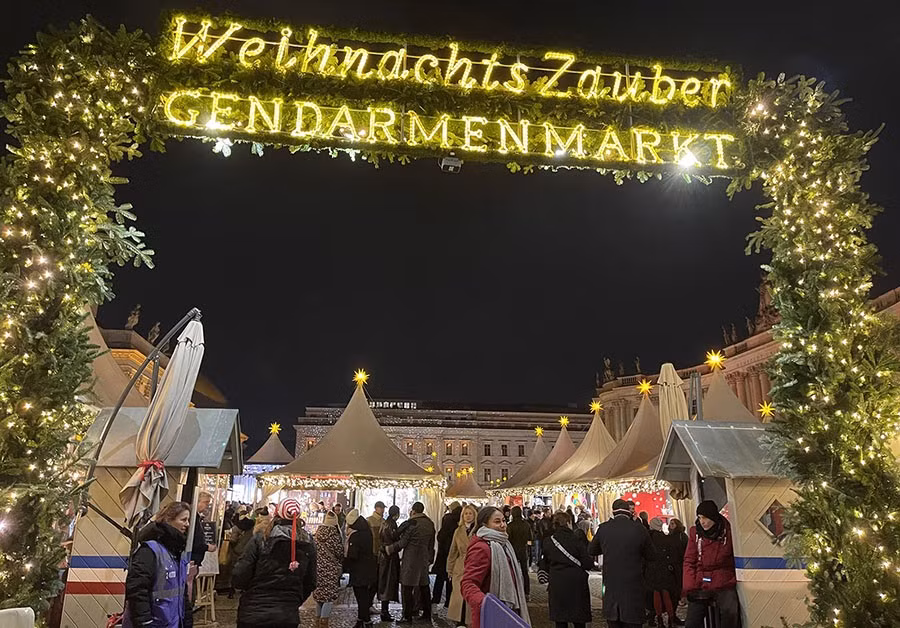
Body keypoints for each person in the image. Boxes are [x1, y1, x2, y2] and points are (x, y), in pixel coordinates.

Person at [231, 499, 317, 628]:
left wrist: (249, 590)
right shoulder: (308, 544)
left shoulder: (261, 539)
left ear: (277, 515)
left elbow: (240, 573)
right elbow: (310, 582)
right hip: (286, 615)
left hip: (253, 612)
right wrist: (294, 600)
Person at [123, 502, 192, 628]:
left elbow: (182, 592)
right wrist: (145, 623)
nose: (187, 524)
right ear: (168, 520)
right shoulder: (149, 550)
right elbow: (137, 590)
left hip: (173, 623)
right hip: (155, 623)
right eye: (183, 520)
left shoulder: (177, 553)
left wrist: (187, 619)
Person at [460, 506, 530, 628]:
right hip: (490, 617)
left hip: (507, 614)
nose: (503, 525)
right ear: (484, 525)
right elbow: (468, 583)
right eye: (497, 522)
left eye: (504, 521)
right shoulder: (481, 548)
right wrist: (487, 604)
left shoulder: (504, 544)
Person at [588, 498, 654, 628]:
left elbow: (591, 550)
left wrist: (607, 548)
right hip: (634, 585)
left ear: (613, 512)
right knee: (632, 621)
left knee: (613, 621)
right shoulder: (639, 529)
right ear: (629, 513)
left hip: (611, 584)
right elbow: (652, 555)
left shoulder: (604, 528)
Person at [683, 501, 739, 628]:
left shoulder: (728, 533)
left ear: (713, 517)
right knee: (692, 621)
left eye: (705, 517)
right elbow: (689, 560)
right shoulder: (695, 534)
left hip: (723, 581)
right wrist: (689, 587)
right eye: (700, 517)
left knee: (730, 614)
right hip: (701, 582)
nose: (702, 521)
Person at [540, 512, 593, 628]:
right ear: (568, 523)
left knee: (560, 619)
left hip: (557, 582)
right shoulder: (577, 539)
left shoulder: (549, 541)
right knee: (579, 619)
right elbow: (588, 563)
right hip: (577, 583)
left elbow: (545, 562)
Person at [386, 501, 436, 622]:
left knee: (407, 588)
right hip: (423, 559)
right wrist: (430, 557)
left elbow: (403, 543)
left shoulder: (412, 524)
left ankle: (407, 616)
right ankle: (427, 614)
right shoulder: (429, 523)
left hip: (411, 560)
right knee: (424, 587)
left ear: (413, 511)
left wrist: (389, 549)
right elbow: (431, 542)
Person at [344, 509, 378, 628]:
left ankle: (366, 621)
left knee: (361, 597)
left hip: (359, 571)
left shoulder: (356, 535)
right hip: (368, 569)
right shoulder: (367, 532)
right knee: (363, 596)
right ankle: (361, 620)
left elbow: (353, 555)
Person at [447, 505, 477, 627]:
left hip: (474, 566)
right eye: (466, 513)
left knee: (471, 595)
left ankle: (470, 620)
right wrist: (450, 569)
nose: (468, 515)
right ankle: (459, 620)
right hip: (460, 566)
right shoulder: (458, 531)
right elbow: (453, 551)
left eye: (470, 513)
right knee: (459, 595)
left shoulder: (478, 531)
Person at [313, 510, 344, 628]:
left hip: (317, 569)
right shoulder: (334, 535)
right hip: (330, 569)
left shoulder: (318, 534)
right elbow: (340, 553)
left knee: (319, 597)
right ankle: (324, 624)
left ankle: (317, 623)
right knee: (328, 598)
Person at [646, 518, 678, 628]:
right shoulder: (666, 538)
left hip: (652, 569)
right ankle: (671, 618)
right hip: (665, 569)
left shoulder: (648, 539)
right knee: (666, 594)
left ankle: (659, 619)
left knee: (656, 594)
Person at [433, 501, 462, 606]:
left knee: (439, 580)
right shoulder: (459, 524)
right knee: (451, 580)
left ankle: (435, 601)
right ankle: (448, 602)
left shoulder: (446, 520)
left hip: (443, 555)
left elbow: (440, 537)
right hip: (454, 556)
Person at [377, 505, 402, 621]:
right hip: (389, 557)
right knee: (387, 583)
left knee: (384, 582)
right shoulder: (391, 524)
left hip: (384, 556)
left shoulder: (384, 523)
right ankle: (384, 611)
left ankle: (384, 610)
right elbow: (395, 538)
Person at [506, 506, 533, 597]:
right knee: (525, 572)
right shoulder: (526, 525)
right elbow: (530, 538)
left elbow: (507, 539)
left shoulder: (510, 525)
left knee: (512, 571)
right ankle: (527, 592)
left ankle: (514, 592)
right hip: (523, 549)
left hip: (512, 550)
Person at [667, 519, 688, 626]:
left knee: (678, 590)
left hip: (680, 566)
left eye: (672, 523)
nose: (670, 525)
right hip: (673, 568)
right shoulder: (669, 537)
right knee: (674, 592)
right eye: (670, 524)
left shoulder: (682, 536)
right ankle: (672, 615)